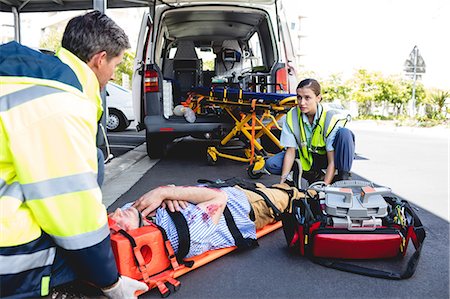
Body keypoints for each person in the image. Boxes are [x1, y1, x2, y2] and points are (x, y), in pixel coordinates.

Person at [0, 11, 147, 299]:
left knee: (92, 159)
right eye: (116, 65)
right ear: (100, 59)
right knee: (84, 252)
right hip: (8, 255)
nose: (115, 74)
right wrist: (110, 282)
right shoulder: (62, 103)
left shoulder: (31, 73)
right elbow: (71, 205)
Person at [110, 183, 302, 258]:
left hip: (223, 188)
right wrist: (164, 192)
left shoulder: (133, 214)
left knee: (274, 187)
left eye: (110, 217)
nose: (118, 211)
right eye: (116, 224)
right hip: (247, 206)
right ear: (131, 239)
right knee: (295, 197)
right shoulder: (183, 236)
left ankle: (280, 185)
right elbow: (219, 198)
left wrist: (172, 194)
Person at [265, 78, 355, 186]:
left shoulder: (330, 118)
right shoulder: (292, 116)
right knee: (272, 164)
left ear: (318, 98)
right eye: (299, 97)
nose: (302, 103)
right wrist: (282, 182)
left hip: (327, 157)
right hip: (306, 156)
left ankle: (342, 180)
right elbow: (290, 151)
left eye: (307, 98)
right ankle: (314, 176)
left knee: (345, 133)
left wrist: (323, 188)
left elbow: (332, 161)